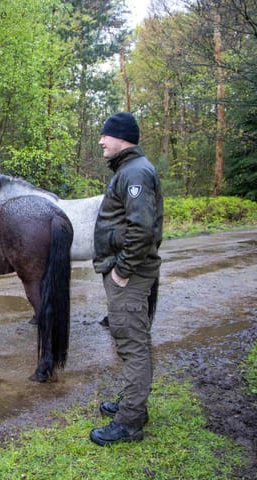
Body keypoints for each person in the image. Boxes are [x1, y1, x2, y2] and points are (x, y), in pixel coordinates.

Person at [90, 112, 164, 446]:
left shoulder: (135, 172)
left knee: (131, 342)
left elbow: (142, 229)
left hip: (130, 275)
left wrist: (122, 270)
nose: (101, 141)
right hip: (127, 270)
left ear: (121, 137)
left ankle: (130, 421)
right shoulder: (130, 169)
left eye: (105, 135)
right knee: (132, 338)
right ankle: (133, 404)